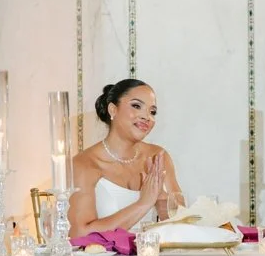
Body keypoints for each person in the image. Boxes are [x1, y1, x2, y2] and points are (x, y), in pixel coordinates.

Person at [69, 78, 186, 238]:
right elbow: (80, 234)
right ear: (113, 110)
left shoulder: (159, 157)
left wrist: (161, 200)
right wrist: (143, 204)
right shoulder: (84, 164)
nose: (147, 117)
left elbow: (183, 227)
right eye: (137, 106)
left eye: (152, 112)